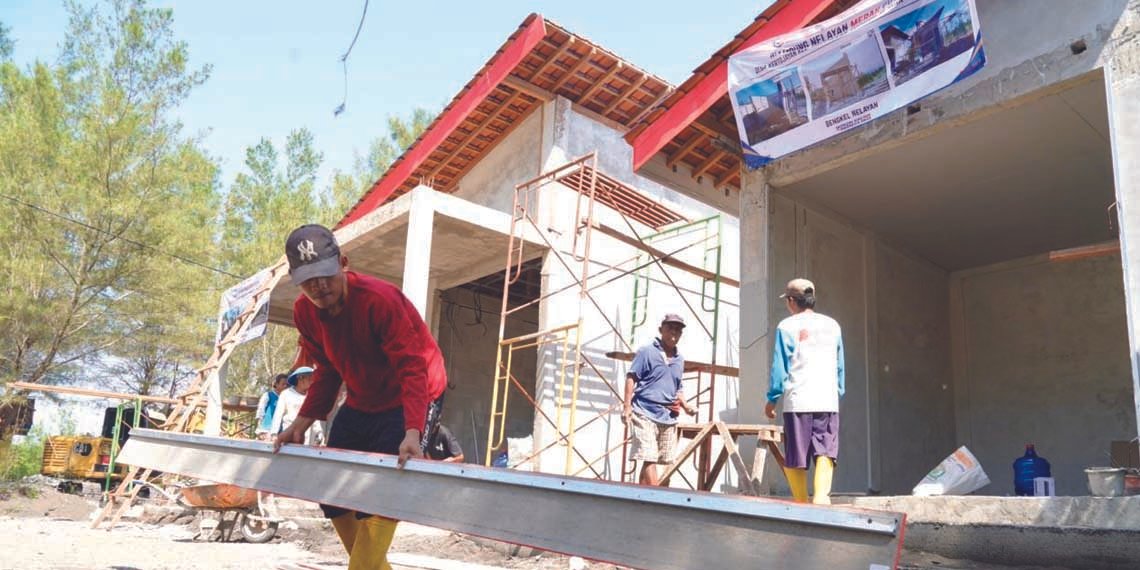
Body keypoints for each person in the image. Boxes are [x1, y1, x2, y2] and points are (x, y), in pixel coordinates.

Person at [273, 223, 447, 570]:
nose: (319, 286)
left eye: (326, 275)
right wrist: (300, 423)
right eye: (308, 280)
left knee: (382, 493)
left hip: (415, 393)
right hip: (363, 399)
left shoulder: (379, 300)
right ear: (296, 279)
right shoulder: (304, 313)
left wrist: (413, 431)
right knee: (333, 491)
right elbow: (326, 369)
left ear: (344, 263)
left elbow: (412, 368)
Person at [765, 278, 845, 505]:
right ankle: (821, 498)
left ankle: (801, 502)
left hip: (798, 401)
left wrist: (771, 400)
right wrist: (837, 390)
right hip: (827, 400)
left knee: (795, 454)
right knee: (826, 450)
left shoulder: (787, 326)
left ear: (791, 301)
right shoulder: (833, 325)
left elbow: (780, 368)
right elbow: (840, 365)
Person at [623, 313, 697, 486]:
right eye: (670, 328)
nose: (674, 332)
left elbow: (677, 387)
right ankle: (658, 496)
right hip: (644, 412)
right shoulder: (647, 351)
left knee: (659, 459)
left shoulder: (679, 359)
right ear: (661, 330)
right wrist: (626, 406)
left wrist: (686, 405)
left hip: (667, 416)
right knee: (648, 457)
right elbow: (631, 377)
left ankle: (640, 497)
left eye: (678, 329)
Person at [270, 366, 324, 445]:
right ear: (300, 378)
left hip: (307, 437)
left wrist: (319, 432)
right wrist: (274, 433)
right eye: (309, 379)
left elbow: (314, 417)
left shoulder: (311, 396)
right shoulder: (286, 394)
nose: (312, 381)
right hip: (289, 434)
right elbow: (278, 414)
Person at [255, 374, 288, 441]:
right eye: (283, 384)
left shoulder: (286, 398)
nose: (285, 386)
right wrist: (260, 428)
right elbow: (260, 410)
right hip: (266, 429)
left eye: (287, 385)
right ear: (276, 384)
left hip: (279, 431)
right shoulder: (268, 395)